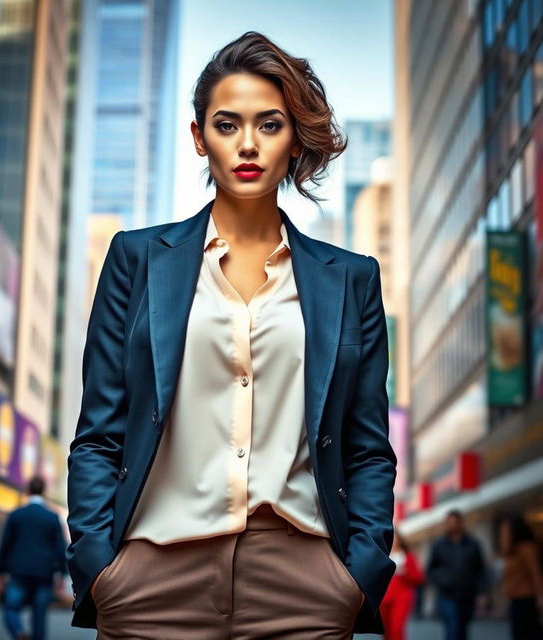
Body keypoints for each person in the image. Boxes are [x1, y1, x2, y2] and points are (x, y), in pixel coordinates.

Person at [67, 30, 396, 640]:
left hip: (305, 582)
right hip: (151, 574)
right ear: (199, 137)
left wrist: (358, 573)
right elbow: (99, 435)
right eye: (227, 124)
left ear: (295, 138)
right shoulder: (135, 260)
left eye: (270, 125)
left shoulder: (351, 279)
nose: (248, 144)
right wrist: (97, 566)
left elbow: (367, 446)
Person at [0, 476, 67, 640]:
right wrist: (61, 575)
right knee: (39, 614)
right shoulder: (52, 517)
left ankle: (19, 631)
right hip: (44, 572)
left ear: (27, 490)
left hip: (18, 571)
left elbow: (5, 544)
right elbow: (60, 548)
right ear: (44, 491)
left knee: (11, 608)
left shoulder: (16, 515)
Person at [427, 509, 487, 640]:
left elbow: (480, 570)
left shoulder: (472, 544)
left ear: (460, 523)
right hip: (447, 595)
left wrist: (482, 593)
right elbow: (431, 569)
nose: (450, 525)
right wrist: (442, 581)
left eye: (453, 522)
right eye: (448, 522)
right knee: (452, 629)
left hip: (467, 594)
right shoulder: (439, 544)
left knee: (463, 630)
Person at [498, 514, 543, 640]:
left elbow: (535, 573)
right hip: (515, 599)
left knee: (528, 633)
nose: (503, 535)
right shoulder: (510, 552)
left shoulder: (526, 548)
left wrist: (540, 596)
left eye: (506, 532)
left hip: (527, 598)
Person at [379, 530, 425, 640]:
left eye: (395, 537)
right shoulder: (382, 555)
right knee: (386, 631)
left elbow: (419, 577)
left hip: (401, 599)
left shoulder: (407, 557)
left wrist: (406, 573)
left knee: (397, 629)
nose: (393, 540)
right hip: (383, 599)